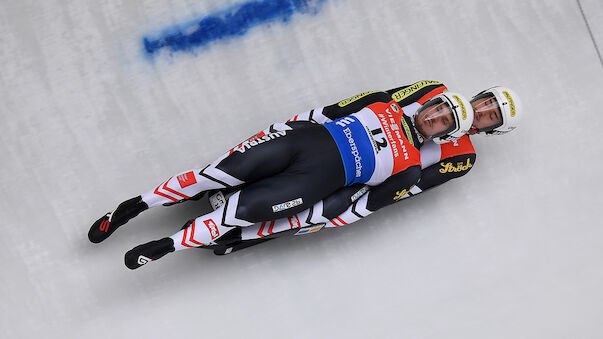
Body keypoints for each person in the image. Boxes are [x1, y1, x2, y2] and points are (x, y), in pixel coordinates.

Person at [86, 80, 481, 269]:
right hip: (301, 144)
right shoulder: (384, 104)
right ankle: (131, 207)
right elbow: (325, 112)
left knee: (237, 212)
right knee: (213, 175)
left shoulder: (411, 166)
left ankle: (163, 247)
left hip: (311, 184)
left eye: (443, 122)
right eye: (438, 109)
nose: (434, 117)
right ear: (431, 104)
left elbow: (370, 204)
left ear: (445, 133)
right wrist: (283, 127)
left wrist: (327, 221)